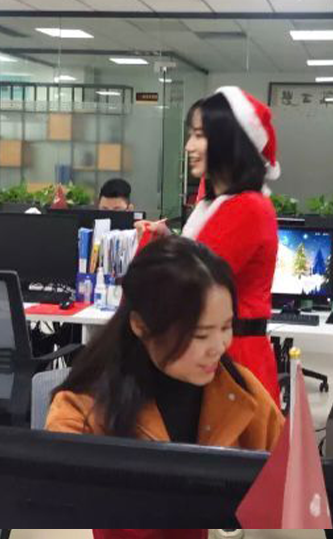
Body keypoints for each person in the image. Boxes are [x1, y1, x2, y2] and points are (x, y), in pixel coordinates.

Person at [46, 236, 284, 539]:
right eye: (200, 335)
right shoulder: (84, 406)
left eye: (226, 327)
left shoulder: (239, 391)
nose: (218, 347)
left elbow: (292, 481)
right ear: (141, 325)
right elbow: (60, 503)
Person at [138, 87, 282, 402]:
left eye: (199, 135)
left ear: (229, 141)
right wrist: (168, 243)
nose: (189, 146)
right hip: (217, 354)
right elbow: (201, 262)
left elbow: (187, 284)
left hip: (232, 362)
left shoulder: (246, 208)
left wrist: (153, 255)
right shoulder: (218, 205)